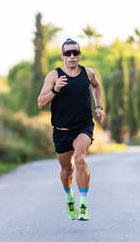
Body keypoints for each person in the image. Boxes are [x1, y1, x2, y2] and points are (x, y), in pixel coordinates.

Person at [37, 38, 104, 221]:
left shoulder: (88, 73)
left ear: (80, 54)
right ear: (62, 56)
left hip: (83, 126)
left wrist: (99, 107)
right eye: (68, 53)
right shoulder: (54, 76)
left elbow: (97, 87)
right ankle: (69, 196)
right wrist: (56, 90)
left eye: (75, 52)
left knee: (80, 159)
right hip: (61, 130)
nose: (72, 56)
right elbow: (41, 102)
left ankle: (83, 203)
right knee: (67, 170)